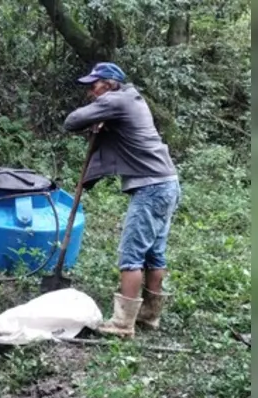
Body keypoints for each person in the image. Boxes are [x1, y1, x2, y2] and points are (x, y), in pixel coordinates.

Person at [63, 62, 182, 338]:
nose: (91, 92)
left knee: (132, 254)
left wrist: (97, 116)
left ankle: (122, 324)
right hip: (167, 184)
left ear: (109, 84)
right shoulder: (131, 99)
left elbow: (71, 121)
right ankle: (150, 315)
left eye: (94, 86)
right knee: (154, 253)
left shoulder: (117, 99)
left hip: (151, 188)